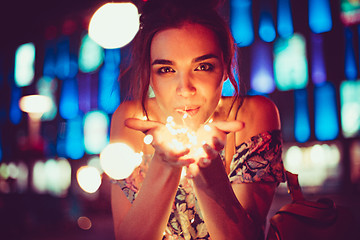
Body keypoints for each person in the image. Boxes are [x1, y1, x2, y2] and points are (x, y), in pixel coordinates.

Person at [109, 0, 286, 239]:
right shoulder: (133, 120)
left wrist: (208, 170)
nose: (185, 89)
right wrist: (164, 164)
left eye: (202, 67)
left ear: (225, 68)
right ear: (150, 76)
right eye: (167, 70)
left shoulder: (252, 115)